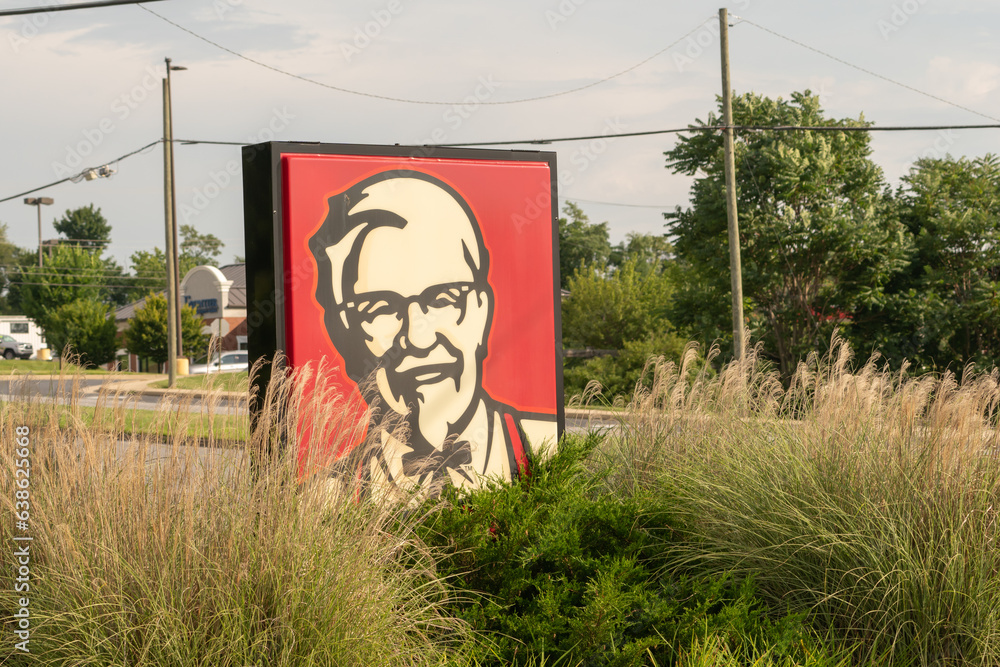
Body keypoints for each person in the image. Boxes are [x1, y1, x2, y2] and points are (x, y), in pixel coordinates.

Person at [308, 170, 557, 496]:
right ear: (342, 333)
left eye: (443, 298)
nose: (418, 337)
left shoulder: (548, 450)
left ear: (482, 310)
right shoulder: (324, 501)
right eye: (380, 307)